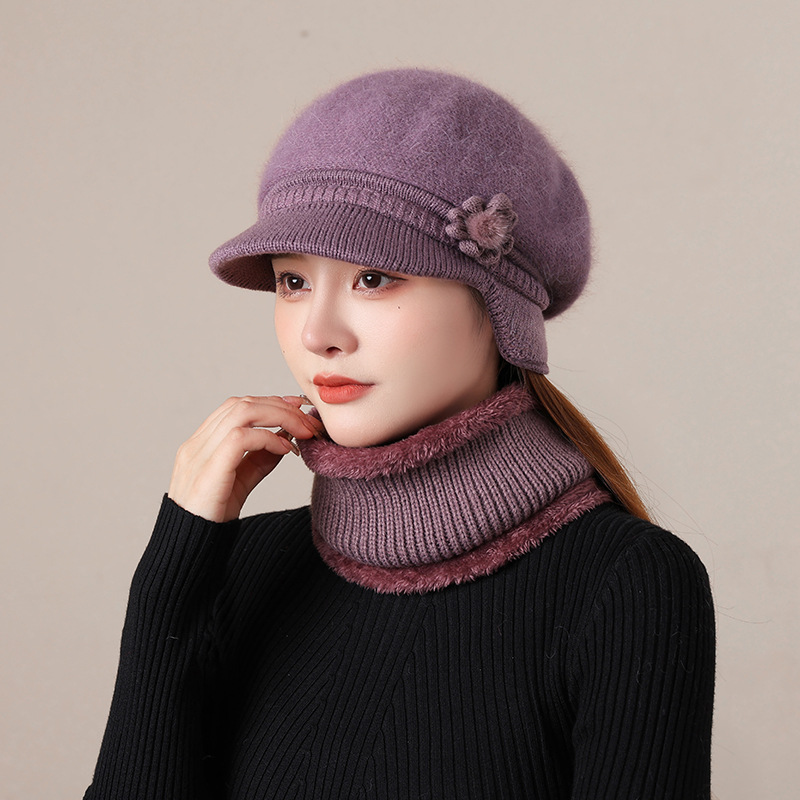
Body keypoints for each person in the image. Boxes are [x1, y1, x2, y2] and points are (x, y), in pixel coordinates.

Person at [84, 69, 715, 799]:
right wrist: (173, 573)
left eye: (374, 277)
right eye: (292, 282)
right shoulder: (241, 565)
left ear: (498, 305)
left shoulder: (625, 584)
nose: (317, 333)